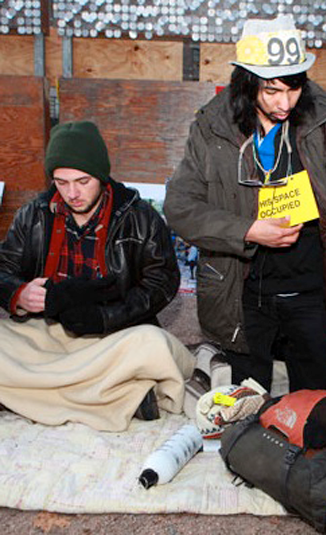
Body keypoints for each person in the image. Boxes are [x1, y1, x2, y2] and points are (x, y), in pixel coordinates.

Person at [165, 14, 326, 392]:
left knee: (315, 408)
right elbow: (180, 206)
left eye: (293, 89)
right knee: (248, 408)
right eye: (271, 91)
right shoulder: (213, 125)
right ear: (247, 81)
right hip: (242, 293)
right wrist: (249, 231)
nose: (284, 102)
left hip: (311, 291)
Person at [0, 120, 194, 431]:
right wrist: (18, 294)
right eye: (61, 183)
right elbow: (3, 268)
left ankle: (31, 391)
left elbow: (161, 282)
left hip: (113, 335)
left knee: (155, 344)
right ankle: (116, 394)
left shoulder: (139, 217)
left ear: (101, 176)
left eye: (83, 181)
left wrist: (105, 317)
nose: (72, 193)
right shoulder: (32, 215)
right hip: (45, 332)